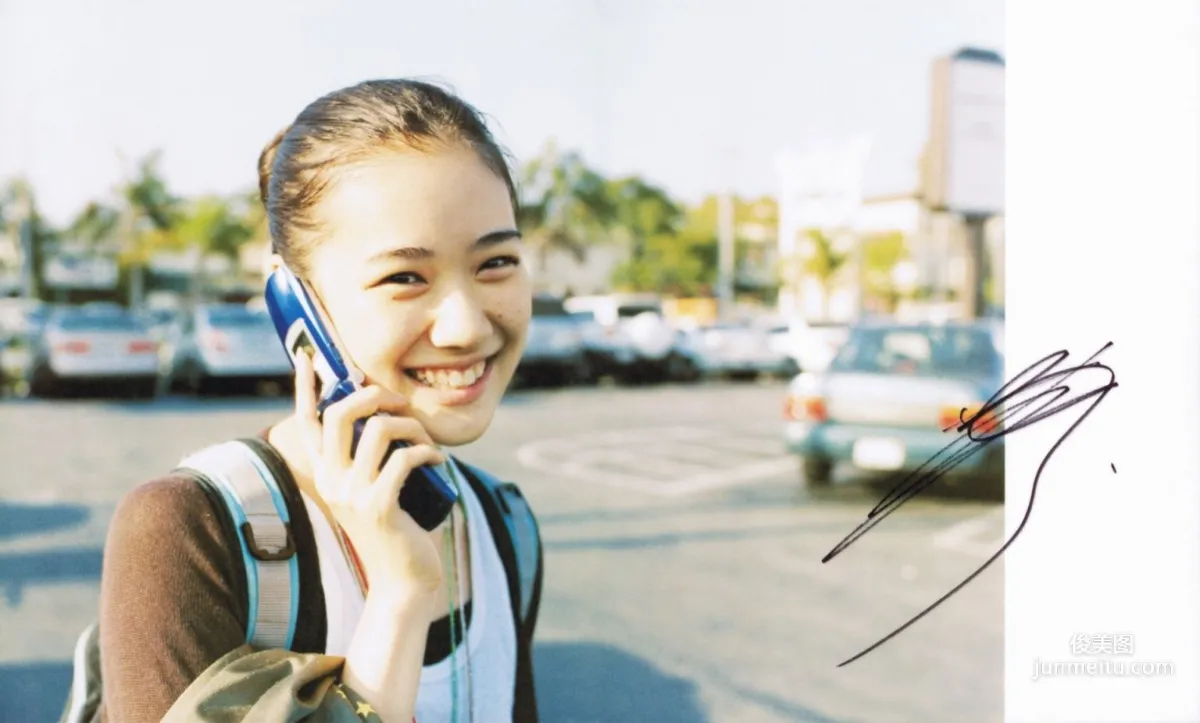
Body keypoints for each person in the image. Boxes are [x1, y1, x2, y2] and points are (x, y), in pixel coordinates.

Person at [95, 79, 540, 722]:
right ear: (296, 308)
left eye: (495, 262)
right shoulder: (190, 529)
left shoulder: (503, 526)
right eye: (404, 277)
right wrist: (399, 596)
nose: (467, 326)